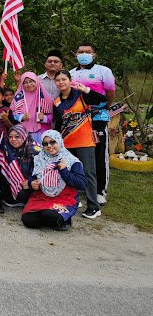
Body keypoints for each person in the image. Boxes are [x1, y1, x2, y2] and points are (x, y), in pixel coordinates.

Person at [53, 69, 107, 220]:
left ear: (70, 80)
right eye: (58, 80)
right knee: (69, 172)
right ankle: (72, 199)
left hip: (84, 141)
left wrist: (87, 90)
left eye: (64, 79)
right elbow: (58, 124)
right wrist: (57, 143)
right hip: (66, 143)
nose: (61, 82)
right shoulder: (57, 102)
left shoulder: (82, 95)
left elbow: (102, 100)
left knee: (88, 173)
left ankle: (93, 206)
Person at [69, 42, 116, 206]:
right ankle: (79, 187)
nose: (84, 54)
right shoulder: (71, 73)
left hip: (98, 117)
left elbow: (110, 93)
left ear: (94, 55)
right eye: (80, 51)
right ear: (76, 54)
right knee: (77, 154)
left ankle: (99, 191)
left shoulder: (104, 71)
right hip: (78, 119)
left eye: (87, 51)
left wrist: (104, 107)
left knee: (99, 153)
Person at [21, 130, 87, 231]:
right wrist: (31, 183)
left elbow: (82, 184)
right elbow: (32, 176)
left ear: (59, 141)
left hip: (64, 197)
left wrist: (64, 171)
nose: (49, 146)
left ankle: (62, 219)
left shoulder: (71, 161)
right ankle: (53, 218)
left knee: (49, 215)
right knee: (28, 220)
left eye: (52, 142)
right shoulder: (38, 159)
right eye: (45, 143)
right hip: (42, 196)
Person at [0, 124, 41, 207]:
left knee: (23, 195)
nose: (13, 139)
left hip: (31, 183)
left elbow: (40, 172)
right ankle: (10, 199)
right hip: (18, 180)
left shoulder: (35, 149)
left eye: (17, 136)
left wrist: (30, 182)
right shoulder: (8, 147)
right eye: (10, 137)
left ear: (23, 135)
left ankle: (32, 202)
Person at [10, 72, 53, 143]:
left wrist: (44, 118)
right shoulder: (19, 98)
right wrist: (22, 117)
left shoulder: (45, 97)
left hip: (42, 132)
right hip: (23, 132)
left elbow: (53, 115)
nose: (29, 84)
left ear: (36, 81)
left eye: (31, 81)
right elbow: (14, 113)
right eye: (25, 82)